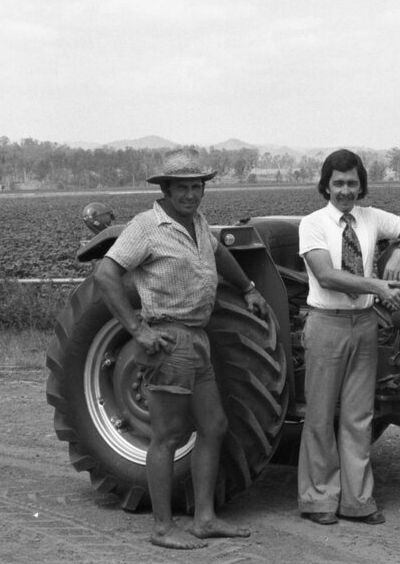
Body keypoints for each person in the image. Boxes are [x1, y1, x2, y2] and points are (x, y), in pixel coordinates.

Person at [94, 149, 269, 550]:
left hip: (199, 339)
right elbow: (106, 275)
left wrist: (249, 289)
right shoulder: (146, 226)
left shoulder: (196, 222)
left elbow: (220, 253)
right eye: (183, 188)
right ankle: (162, 528)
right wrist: (137, 329)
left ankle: (204, 518)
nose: (191, 194)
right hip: (168, 341)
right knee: (168, 435)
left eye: (197, 186)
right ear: (166, 189)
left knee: (214, 427)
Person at [298, 149, 400, 526]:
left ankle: (357, 501)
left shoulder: (371, 218)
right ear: (326, 185)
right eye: (338, 183)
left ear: (361, 184)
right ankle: (319, 500)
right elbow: (327, 275)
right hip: (327, 323)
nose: (345, 190)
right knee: (321, 416)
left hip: (363, 324)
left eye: (352, 182)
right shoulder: (313, 223)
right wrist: (379, 286)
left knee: (358, 417)